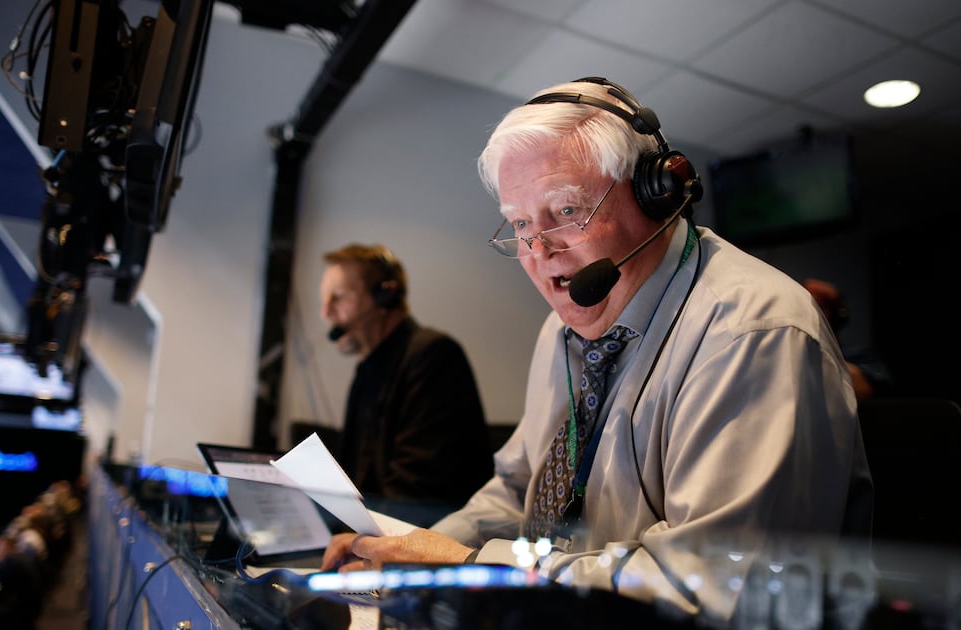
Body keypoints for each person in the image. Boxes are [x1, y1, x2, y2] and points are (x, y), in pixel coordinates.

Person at [320, 78, 871, 622]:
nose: (540, 252)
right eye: (520, 224)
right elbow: (516, 491)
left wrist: (473, 569)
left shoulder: (752, 333)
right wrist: (409, 556)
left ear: (656, 195)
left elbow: (713, 592)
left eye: (566, 211)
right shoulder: (559, 333)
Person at [319, 243, 493, 523]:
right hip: (381, 533)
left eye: (338, 297)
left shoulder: (433, 355)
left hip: (425, 537)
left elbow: (417, 491)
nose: (326, 312)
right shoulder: (367, 371)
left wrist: (358, 538)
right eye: (324, 299)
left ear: (384, 296)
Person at [801, 278, 892, 401]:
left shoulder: (861, 355)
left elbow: (868, 389)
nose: (808, 313)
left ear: (837, 316)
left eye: (819, 306)